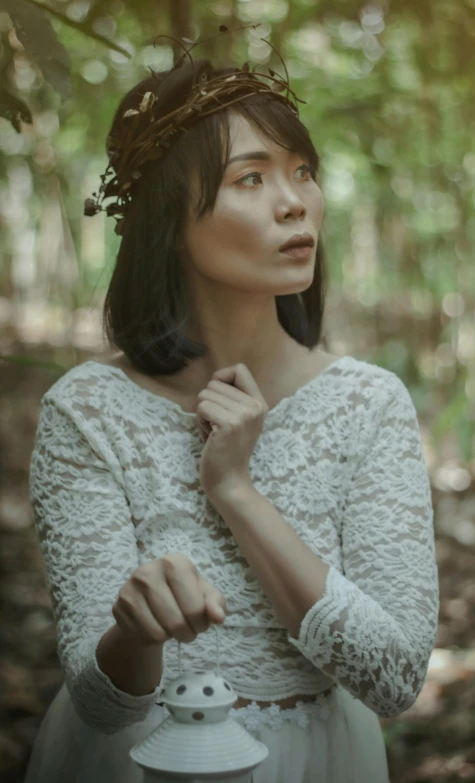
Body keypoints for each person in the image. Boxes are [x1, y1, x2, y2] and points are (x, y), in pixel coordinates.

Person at [22, 32, 439, 783]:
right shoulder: (85, 411)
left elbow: (396, 677)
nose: (295, 203)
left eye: (303, 172)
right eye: (252, 179)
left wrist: (238, 492)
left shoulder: (369, 402)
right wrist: (135, 631)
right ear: (169, 222)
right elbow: (100, 701)